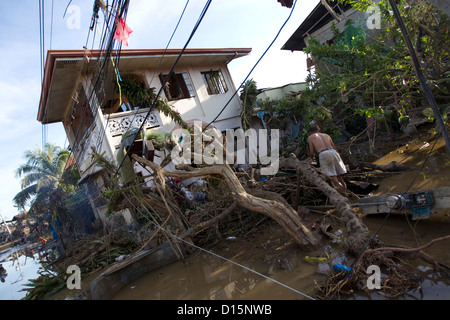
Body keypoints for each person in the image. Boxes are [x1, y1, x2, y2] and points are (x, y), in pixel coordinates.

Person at [307, 123, 347, 191]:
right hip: (334, 152)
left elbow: (311, 152)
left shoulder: (310, 137)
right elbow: (334, 148)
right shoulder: (326, 135)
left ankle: (342, 195)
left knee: (333, 178)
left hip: (324, 153)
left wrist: (312, 159)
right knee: (339, 176)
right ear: (319, 130)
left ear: (310, 132)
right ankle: (346, 193)